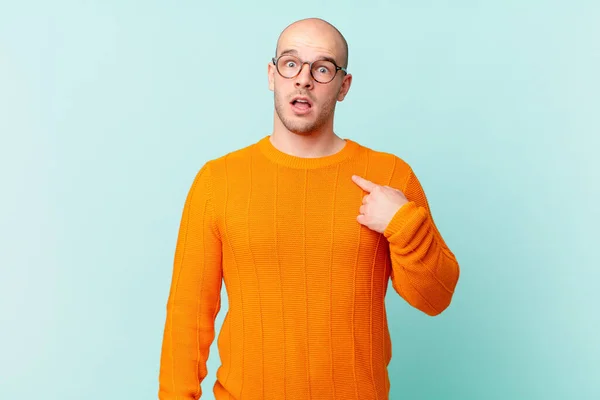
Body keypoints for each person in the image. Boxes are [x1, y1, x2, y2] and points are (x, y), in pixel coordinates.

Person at [158, 17, 460, 400]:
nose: (304, 79)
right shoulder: (218, 181)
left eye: (322, 68)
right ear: (272, 75)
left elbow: (436, 298)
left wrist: (401, 222)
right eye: (290, 63)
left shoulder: (389, 177)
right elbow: (188, 314)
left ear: (343, 86)